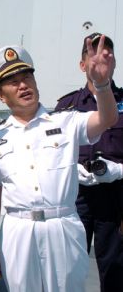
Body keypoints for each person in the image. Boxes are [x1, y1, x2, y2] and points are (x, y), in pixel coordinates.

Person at [0, 41, 118, 292]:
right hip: (17, 231)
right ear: (1, 95)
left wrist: (102, 84)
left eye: (27, 78)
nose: (23, 85)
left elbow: (107, 118)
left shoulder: (67, 121)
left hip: (62, 226)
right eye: (14, 82)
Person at [55, 32, 123, 292]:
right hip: (76, 197)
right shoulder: (66, 105)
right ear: (82, 65)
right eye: (93, 53)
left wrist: (119, 170)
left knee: (116, 267)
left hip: (116, 196)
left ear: (114, 62)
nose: (101, 57)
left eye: (107, 53)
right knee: (68, 264)